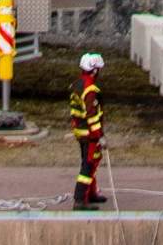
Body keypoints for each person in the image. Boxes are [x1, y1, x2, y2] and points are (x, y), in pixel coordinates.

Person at [69, 52, 107, 210]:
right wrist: (100, 136)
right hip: (90, 134)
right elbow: (92, 115)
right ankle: (79, 200)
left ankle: (91, 194)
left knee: (89, 161)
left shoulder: (77, 84)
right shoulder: (90, 90)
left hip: (80, 131)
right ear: (95, 70)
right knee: (89, 165)